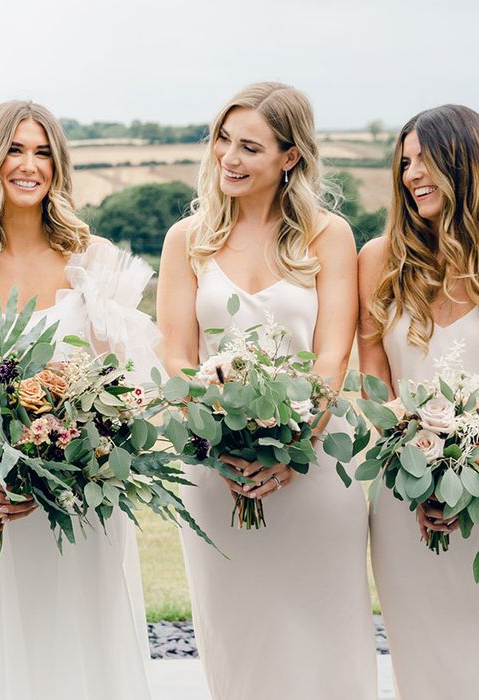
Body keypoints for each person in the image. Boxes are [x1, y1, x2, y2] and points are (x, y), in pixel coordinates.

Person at [0, 100, 158, 700]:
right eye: (15, 149)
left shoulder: (93, 268)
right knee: (4, 655)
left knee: (84, 646)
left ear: (58, 167)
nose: (29, 164)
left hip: (81, 496)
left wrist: (77, 450)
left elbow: (124, 395)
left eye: (43, 152)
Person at [157, 82, 377, 699]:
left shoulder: (328, 235)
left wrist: (293, 446)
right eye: (222, 140)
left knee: (323, 630)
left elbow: (333, 354)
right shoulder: (188, 238)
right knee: (237, 634)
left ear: (290, 158)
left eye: (250, 146)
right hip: (212, 465)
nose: (228, 156)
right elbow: (176, 352)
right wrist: (211, 426)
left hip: (314, 465)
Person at [359, 104, 479, 698]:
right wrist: (419, 470)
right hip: (401, 487)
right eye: (406, 161)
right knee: (425, 658)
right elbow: (373, 383)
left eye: (426, 160)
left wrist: (472, 460)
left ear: (467, 164)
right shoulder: (378, 258)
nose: (411, 173)